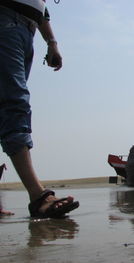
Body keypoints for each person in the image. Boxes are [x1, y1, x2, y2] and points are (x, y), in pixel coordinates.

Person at [0, 1, 79, 218]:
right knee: (15, 102)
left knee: (8, 104)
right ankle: (37, 195)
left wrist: (51, 42)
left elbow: (42, 8)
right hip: (6, 19)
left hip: (28, 29)